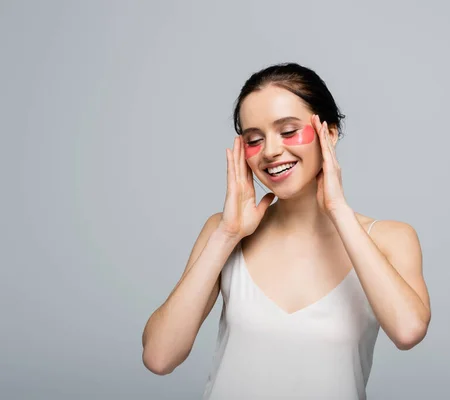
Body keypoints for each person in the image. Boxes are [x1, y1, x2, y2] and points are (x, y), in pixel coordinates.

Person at [141, 62, 431, 399]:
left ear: (330, 133)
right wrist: (227, 235)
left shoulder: (390, 238)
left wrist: (338, 210)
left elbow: (408, 330)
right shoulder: (222, 233)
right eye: (254, 139)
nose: (271, 151)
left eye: (289, 131)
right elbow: (159, 357)